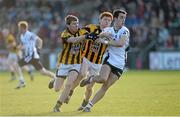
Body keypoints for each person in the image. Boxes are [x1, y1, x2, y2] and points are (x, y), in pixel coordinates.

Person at [80, 9, 130, 112]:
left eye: (124, 18)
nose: (123, 20)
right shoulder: (109, 30)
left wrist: (105, 42)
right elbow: (97, 38)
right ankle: (91, 79)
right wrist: (101, 36)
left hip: (120, 64)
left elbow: (120, 43)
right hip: (109, 59)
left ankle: (89, 105)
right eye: (121, 17)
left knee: (105, 86)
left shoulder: (125, 30)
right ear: (115, 18)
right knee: (102, 78)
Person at [64, 12, 113, 111]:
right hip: (86, 57)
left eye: (109, 20)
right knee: (82, 74)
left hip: (98, 62)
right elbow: (80, 32)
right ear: (100, 20)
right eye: (105, 19)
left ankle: (85, 102)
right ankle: (71, 91)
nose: (107, 22)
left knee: (89, 87)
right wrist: (87, 35)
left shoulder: (112, 33)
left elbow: (116, 43)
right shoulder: (91, 27)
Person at [52, 15, 97, 112]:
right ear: (68, 25)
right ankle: (55, 79)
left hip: (76, 63)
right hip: (64, 63)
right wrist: (86, 36)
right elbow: (73, 40)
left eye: (77, 23)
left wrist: (97, 36)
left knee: (68, 84)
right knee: (56, 89)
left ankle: (57, 106)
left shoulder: (82, 31)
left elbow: (93, 35)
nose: (76, 25)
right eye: (73, 24)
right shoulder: (64, 34)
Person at [17, 21, 56, 89]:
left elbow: (40, 40)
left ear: (23, 28)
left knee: (18, 64)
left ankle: (22, 81)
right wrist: (18, 47)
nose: (19, 29)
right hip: (32, 56)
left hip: (31, 55)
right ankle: (56, 77)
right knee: (43, 72)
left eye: (20, 28)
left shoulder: (30, 34)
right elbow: (23, 45)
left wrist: (38, 49)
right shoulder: (22, 36)